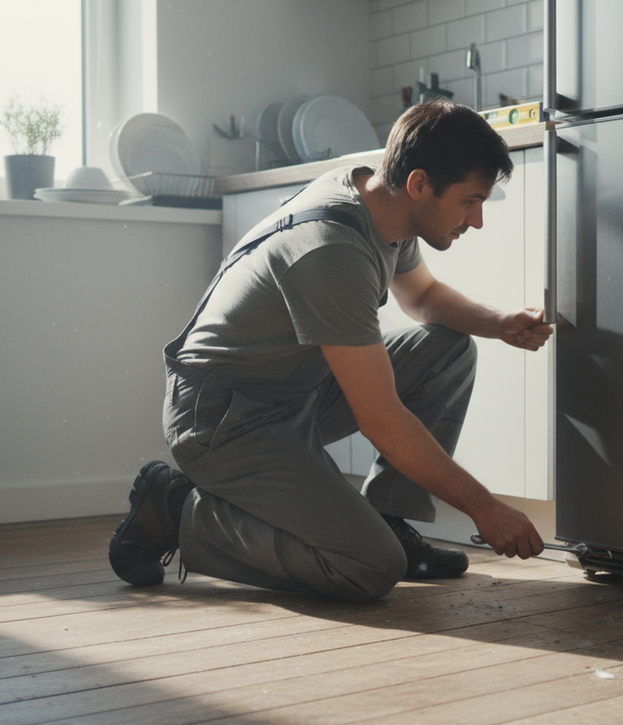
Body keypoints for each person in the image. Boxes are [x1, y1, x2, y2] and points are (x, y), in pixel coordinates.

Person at [108, 99, 553, 602]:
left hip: (292, 391)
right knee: (369, 567)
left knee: (446, 348)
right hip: (224, 418)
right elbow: (381, 419)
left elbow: (424, 297)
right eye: (470, 201)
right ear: (419, 184)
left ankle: (388, 517)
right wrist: (485, 508)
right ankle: (175, 511)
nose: (477, 220)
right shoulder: (333, 249)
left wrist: (500, 323)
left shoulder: (383, 203)